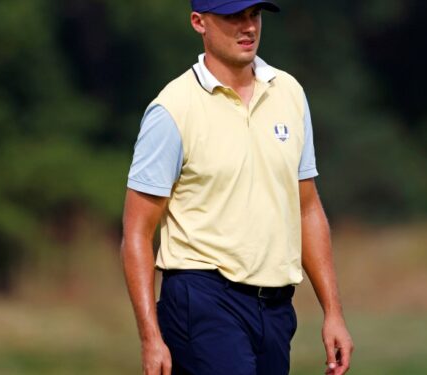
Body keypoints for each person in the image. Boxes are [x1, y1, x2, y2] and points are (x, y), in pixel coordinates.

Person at [120, 0, 354, 374]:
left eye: (254, 15)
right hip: (202, 297)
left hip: (276, 307)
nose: (248, 27)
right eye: (233, 17)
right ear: (199, 22)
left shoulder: (289, 93)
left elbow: (307, 207)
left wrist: (333, 313)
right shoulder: (172, 110)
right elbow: (136, 232)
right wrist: (151, 338)